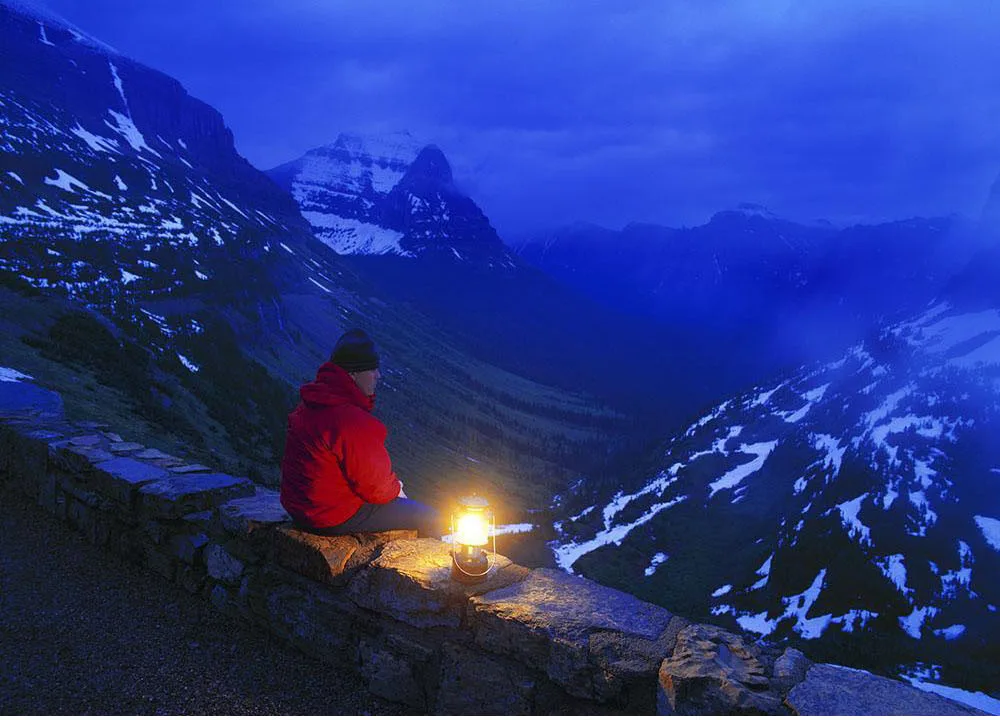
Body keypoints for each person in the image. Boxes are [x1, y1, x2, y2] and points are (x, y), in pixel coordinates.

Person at [279, 329, 441, 538]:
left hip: (298, 508)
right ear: (353, 374)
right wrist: (397, 490)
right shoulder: (350, 421)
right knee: (430, 516)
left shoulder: (312, 403)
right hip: (326, 516)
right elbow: (377, 488)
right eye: (372, 370)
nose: (378, 376)